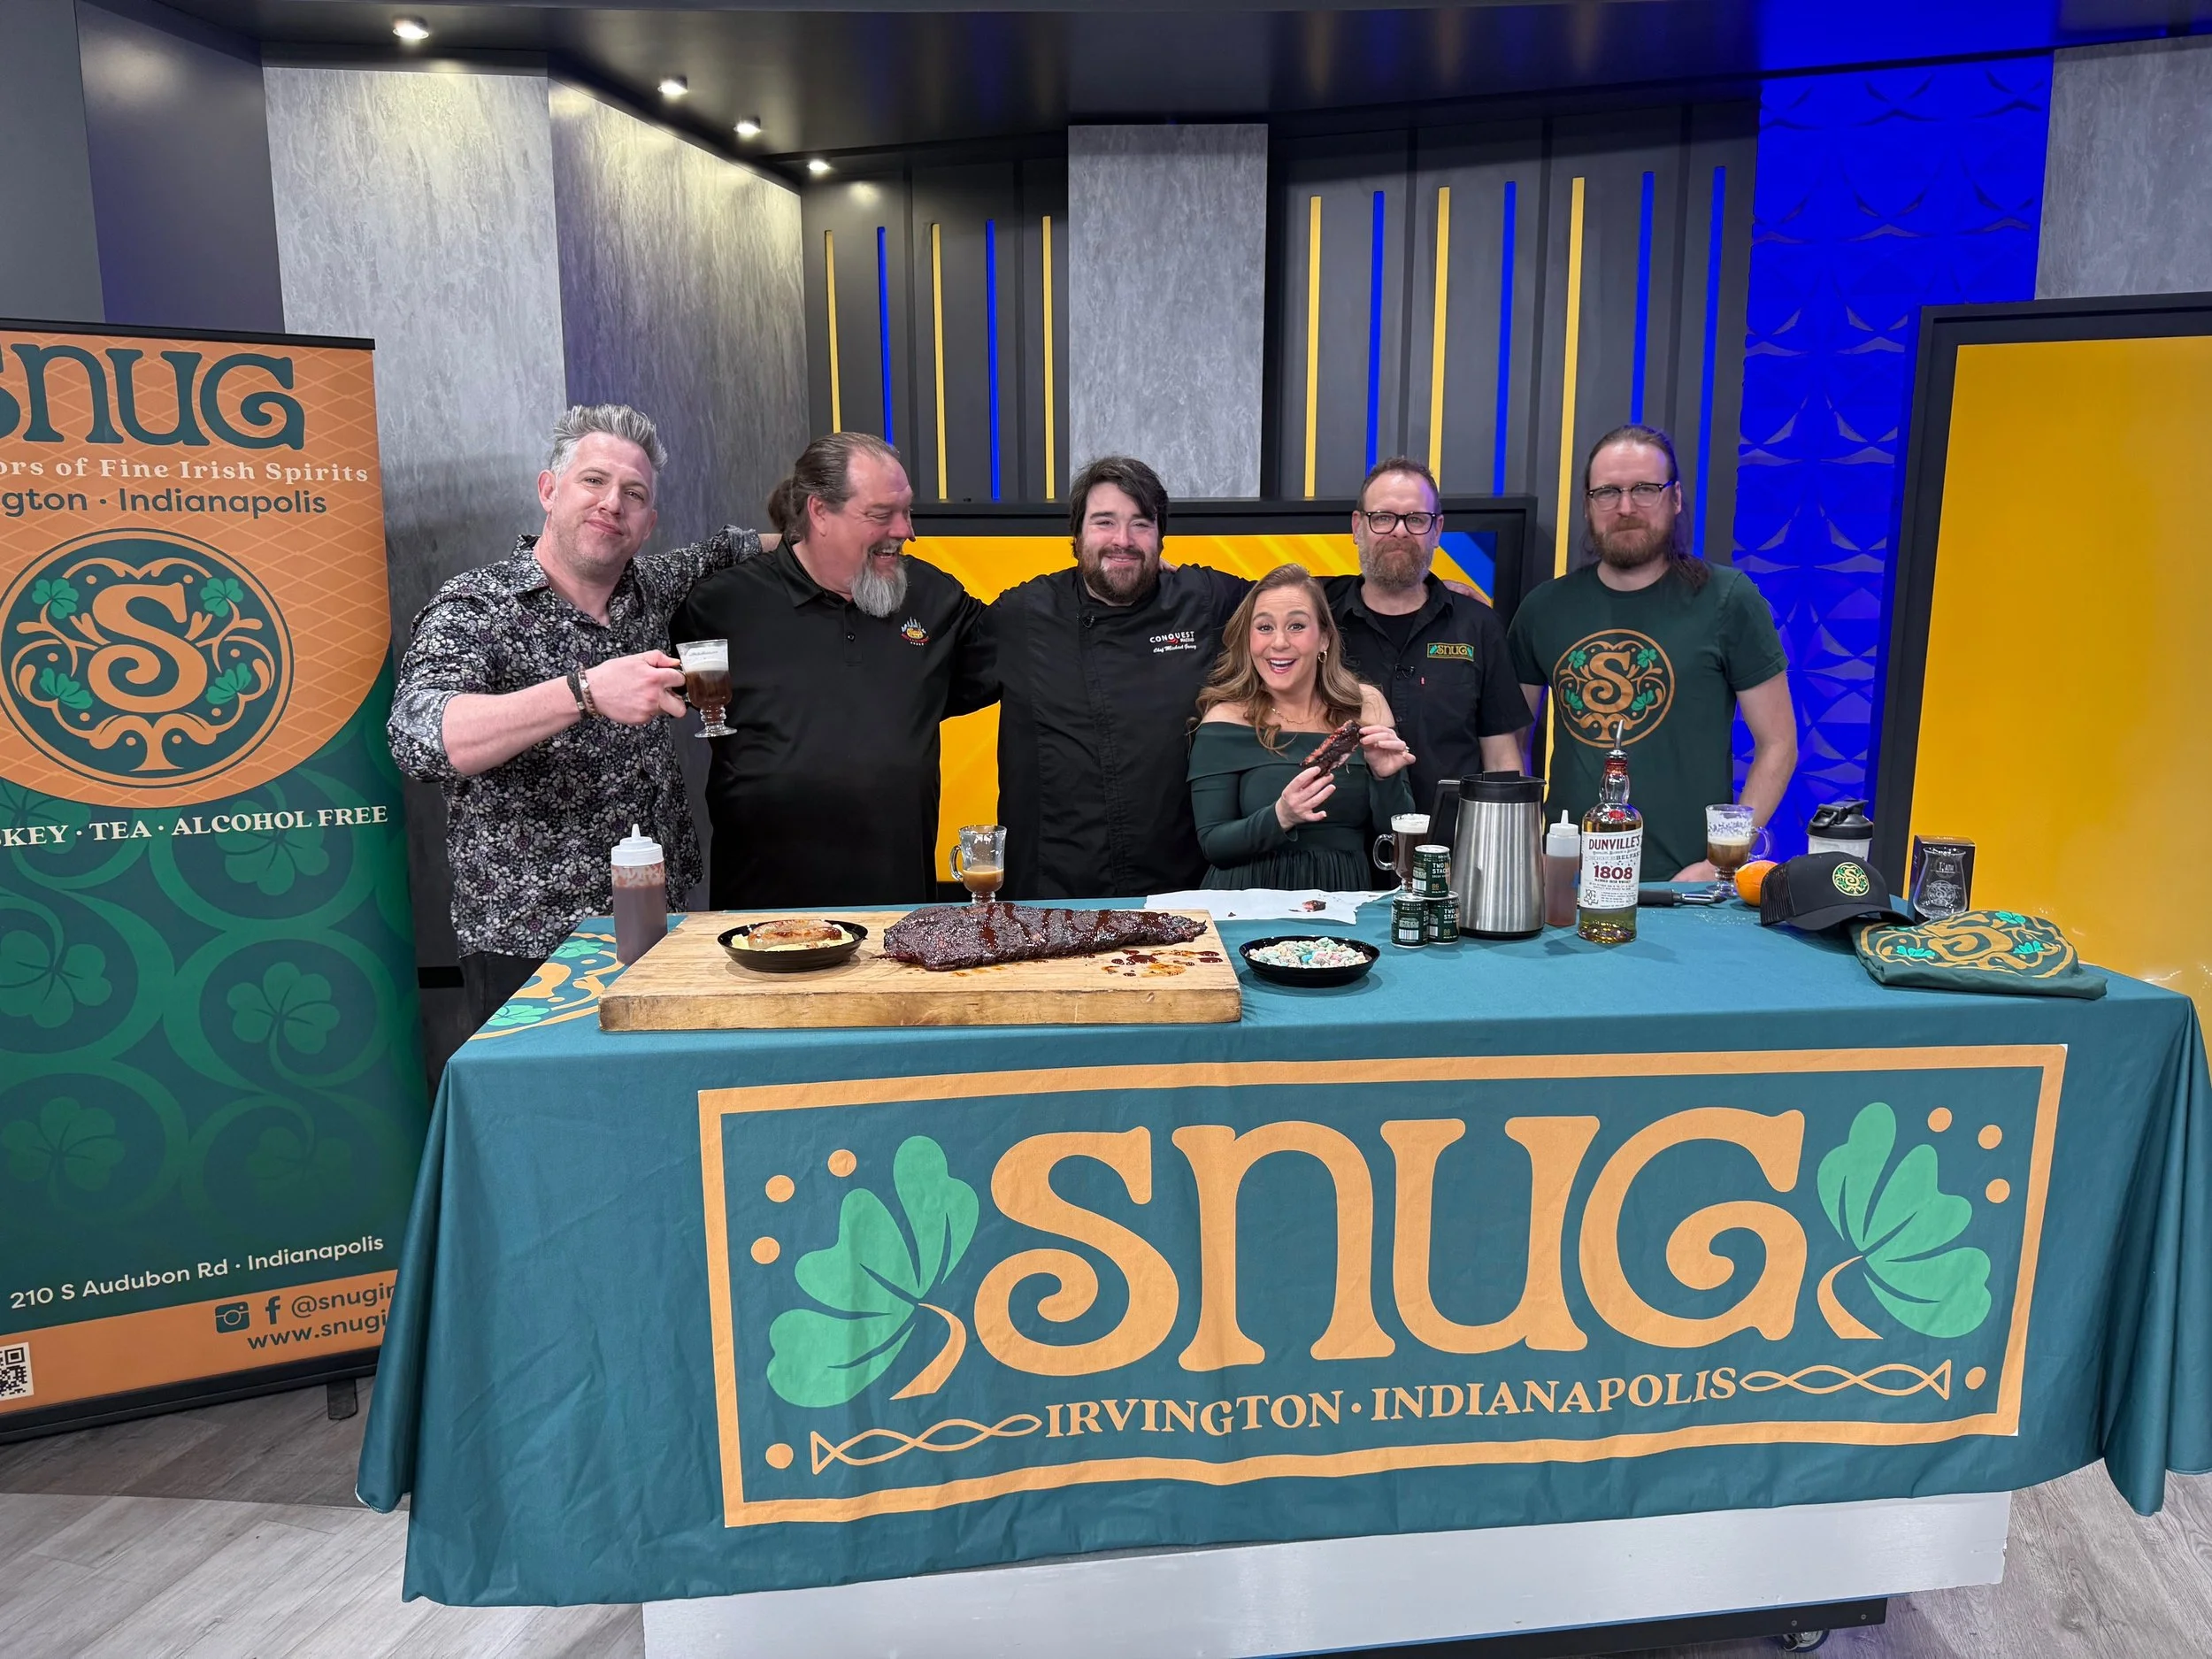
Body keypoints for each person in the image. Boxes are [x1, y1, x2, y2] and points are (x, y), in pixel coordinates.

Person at [387, 404, 768, 1028]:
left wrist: (837, 535)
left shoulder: (649, 587)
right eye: (593, 480)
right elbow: (419, 736)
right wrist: (584, 691)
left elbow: (729, 549)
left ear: (648, 524)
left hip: (662, 934)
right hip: (530, 948)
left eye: (633, 493)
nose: (612, 503)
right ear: (548, 490)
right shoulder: (476, 606)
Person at [672, 432, 995, 908]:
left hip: (899, 915)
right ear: (820, 512)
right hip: (760, 922)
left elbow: (1019, 647)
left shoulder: (932, 596)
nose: (906, 531)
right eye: (881, 515)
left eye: (906, 512)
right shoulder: (721, 605)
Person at [1507, 423, 1795, 880]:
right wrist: (1524, 848)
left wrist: (1724, 860)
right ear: (1588, 504)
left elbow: (1778, 744)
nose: (1625, 507)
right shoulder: (1543, 609)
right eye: (1607, 492)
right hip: (1567, 884)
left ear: (1675, 499)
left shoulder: (1728, 599)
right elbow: (1508, 742)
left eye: (1645, 489)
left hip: (1687, 888)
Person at [988, 457, 1249, 898]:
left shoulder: (1202, 599)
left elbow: (1299, 609)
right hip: (1054, 890)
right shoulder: (1024, 615)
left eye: (1141, 524)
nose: (1122, 541)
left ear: (1161, 538)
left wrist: (1360, 694)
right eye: (1104, 522)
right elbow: (930, 668)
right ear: (1076, 536)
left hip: (1180, 885)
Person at [1321, 456, 1530, 813]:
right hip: (1340, 852)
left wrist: (1511, 852)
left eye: (1416, 519)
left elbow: (1501, 758)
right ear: (1357, 527)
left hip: (1452, 848)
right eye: (1383, 517)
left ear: (1437, 530)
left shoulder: (1478, 627)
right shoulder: (1318, 621)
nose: (1399, 531)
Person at [1188, 565, 1417, 889]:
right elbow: (1214, 845)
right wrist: (1281, 816)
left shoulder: (1367, 707)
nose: (1279, 642)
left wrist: (1386, 779)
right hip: (1246, 901)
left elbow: (1396, 844)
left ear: (1324, 637)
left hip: (1345, 901)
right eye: (1264, 627)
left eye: (1296, 626)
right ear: (1248, 639)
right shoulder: (1224, 720)